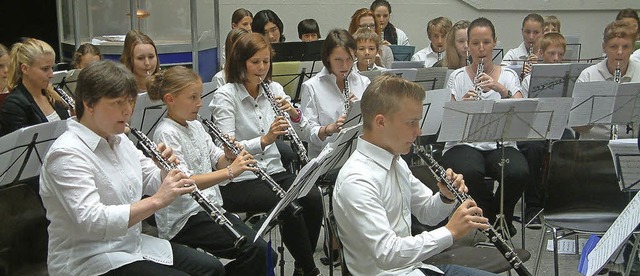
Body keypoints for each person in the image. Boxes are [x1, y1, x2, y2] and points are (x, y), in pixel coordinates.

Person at [39, 60, 224, 275]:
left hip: (131, 244)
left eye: (130, 102)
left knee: (212, 269)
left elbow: (153, 180)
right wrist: (156, 202)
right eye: (118, 103)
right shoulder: (67, 153)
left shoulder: (119, 140)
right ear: (89, 104)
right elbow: (94, 221)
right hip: (89, 259)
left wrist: (166, 170)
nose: (127, 111)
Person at [333, 74, 495, 275]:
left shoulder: (395, 160)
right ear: (381, 122)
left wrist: (446, 197)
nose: (418, 132)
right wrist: (450, 231)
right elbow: (387, 254)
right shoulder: (357, 181)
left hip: (415, 267)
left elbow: (427, 213)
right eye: (411, 123)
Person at [209, 33, 323, 276]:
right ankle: (311, 271)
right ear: (241, 63)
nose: (261, 68)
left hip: (273, 170)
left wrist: (293, 112)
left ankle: (302, 267)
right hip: (240, 178)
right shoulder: (225, 96)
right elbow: (227, 148)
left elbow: (302, 129)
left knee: (312, 197)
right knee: (287, 203)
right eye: (255, 62)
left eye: (265, 62)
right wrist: (265, 140)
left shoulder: (275, 89)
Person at [148, 66, 276, 275]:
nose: (200, 103)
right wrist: (230, 172)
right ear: (170, 99)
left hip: (210, 207)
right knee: (256, 251)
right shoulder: (166, 133)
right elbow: (185, 182)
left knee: (263, 253)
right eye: (193, 97)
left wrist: (230, 155)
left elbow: (218, 160)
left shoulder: (195, 125)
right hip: (185, 217)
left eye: (199, 96)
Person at [441, 17, 528, 237]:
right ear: (468, 46)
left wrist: (502, 90)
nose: (481, 49)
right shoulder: (457, 77)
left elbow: (523, 113)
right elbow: (447, 123)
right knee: (469, 170)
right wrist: (463, 107)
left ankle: (504, 215)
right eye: (476, 43)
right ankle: (490, 217)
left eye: (486, 43)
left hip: (501, 142)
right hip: (464, 144)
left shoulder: (508, 75)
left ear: (494, 43)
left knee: (518, 171)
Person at [518, 32, 568, 228]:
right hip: (534, 127)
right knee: (534, 147)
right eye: (551, 54)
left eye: (560, 54)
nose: (556, 59)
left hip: (558, 126)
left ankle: (559, 201)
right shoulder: (530, 80)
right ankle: (532, 205)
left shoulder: (568, 78)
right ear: (541, 54)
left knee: (568, 144)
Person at [301, 29, 371, 158]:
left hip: (360, 155)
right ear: (328, 57)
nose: (345, 65)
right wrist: (329, 129)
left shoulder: (363, 82)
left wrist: (359, 110)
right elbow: (306, 133)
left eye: (349, 59)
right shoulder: (312, 87)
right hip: (326, 159)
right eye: (338, 59)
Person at [574, 20, 640, 140]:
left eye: (626, 47)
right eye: (613, 47)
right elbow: (578, 127)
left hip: (634, 144)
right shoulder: (588, 76)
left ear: (632, 48)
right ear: (604, 48)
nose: (620, 52)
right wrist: (597, 113)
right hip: (595, 146)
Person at [0, 38, 71, 136]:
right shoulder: (14, 105)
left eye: (52, 68)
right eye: (45, 69)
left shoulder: (52, 95)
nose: (51, 75)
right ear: (25, 69)